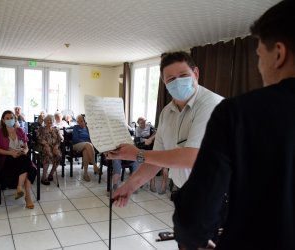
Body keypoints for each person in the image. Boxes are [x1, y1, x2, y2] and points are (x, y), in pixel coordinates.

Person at [172, 1, 295, 249]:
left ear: (279, 54)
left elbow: (195, 219)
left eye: (259, 56)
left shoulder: (238, 113)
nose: (259, 68)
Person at [108, 51, 223, 206]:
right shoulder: (167, 112)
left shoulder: (211, 105)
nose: (178, 82)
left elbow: (192, 158)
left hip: (216, 196)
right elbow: (156, 160)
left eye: (183, 75)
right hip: (185, 191)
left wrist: (138, 154)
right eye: (171, 79)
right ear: (164, 82)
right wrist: (129, 186)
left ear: (195, 73)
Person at [0, 110, 36, 209]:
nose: (9, 120)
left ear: (14, 119)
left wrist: (25, 150)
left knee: (25, 160)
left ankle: (20, 189)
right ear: (3, 120)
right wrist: (10, 152)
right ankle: (27, 197)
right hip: (8, 159)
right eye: (7, 118)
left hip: (21, 156)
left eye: (11, 118)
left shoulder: (20, 130)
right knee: (28, 166)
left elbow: (26, 146)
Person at [134, 117, 164, 193]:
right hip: (141, 147)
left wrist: (151, 138)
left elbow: (156, 132)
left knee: (151, 165)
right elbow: (139, 140)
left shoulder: (149, 126)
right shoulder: (137, 129)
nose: (143, 124)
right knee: (141, 165)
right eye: (141, 123)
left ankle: (151, 183)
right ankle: (140, 182)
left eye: (144, 122)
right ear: (138, 123)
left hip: (150, 147)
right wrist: (147, 139)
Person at [37, 114, 62, 185]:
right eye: (47, 120)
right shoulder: (41, 129)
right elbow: (39, 139)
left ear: (53, 121)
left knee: (59, 155)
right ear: (44, 121)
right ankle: (44, 177)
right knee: (47, 155)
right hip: (44, 147)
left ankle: (51, 174)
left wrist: (56, 147)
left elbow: (59, 140)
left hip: (54, 147)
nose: (49, 121)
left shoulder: (56, 129)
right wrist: (46, 145)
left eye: (51, 120)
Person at [72, 114, 99, 182]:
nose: (79, 123)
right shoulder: (76, 127)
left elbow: (91, 139)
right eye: (78, 121)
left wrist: (87, 143)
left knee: (86, 151)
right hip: (77, 145)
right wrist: (85, 143)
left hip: (87, 146)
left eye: (81, 121)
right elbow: (75, 139)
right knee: (88, 145)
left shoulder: (87, 128)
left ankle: (85, 174)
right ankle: (94, 165)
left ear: (85, 121)